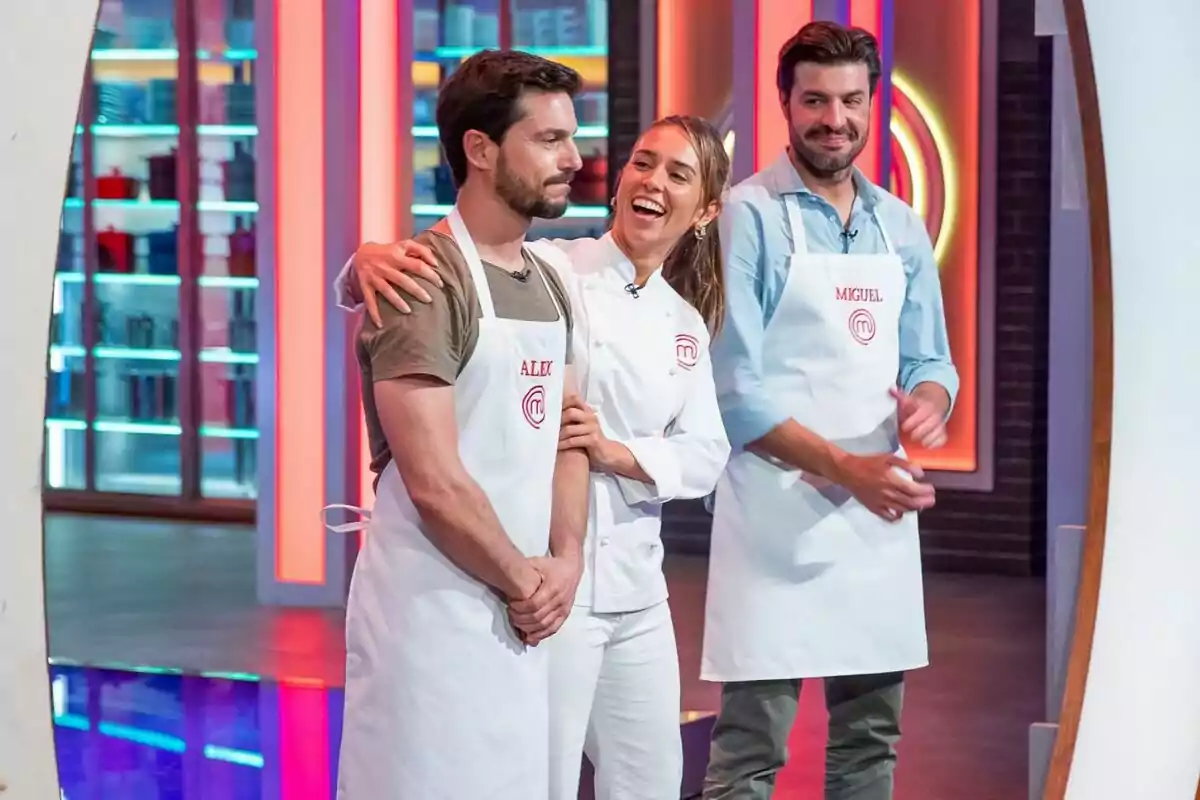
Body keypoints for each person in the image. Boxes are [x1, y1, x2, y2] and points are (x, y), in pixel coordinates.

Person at [336, 115, 733, 799]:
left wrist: (614, 451)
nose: (652, 183)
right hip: (553, 584)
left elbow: (706, 454)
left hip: (640, 592)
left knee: (652, 781)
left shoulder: (686, 323)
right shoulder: (553, 267)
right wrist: (360, 263)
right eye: (643, 163)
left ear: (705, 210)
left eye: (677, 174)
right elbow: (431, 270)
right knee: (540, 779)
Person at [699, 21, 959, 800]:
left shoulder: (900, 226)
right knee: (749, 751)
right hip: (774, 515)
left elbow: (930, 361)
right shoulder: (745, 217)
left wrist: (929, 405)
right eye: (814, 100)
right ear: (785, 103)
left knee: (871, 745)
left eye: (850, 100)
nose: (833, 119)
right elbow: (736, 391)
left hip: (874, 522)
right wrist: (850, 469)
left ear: (872, 104)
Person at [330, 50, 591, 800]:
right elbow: (435, 482)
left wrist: (565, 561)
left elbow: (568, 436)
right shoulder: (419, 282)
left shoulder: (550, 280)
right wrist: (526, 583)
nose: (573, 158)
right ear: (480, 149)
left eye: (571, 137)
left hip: (525, 612)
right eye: (548, 140)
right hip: (433, 618)